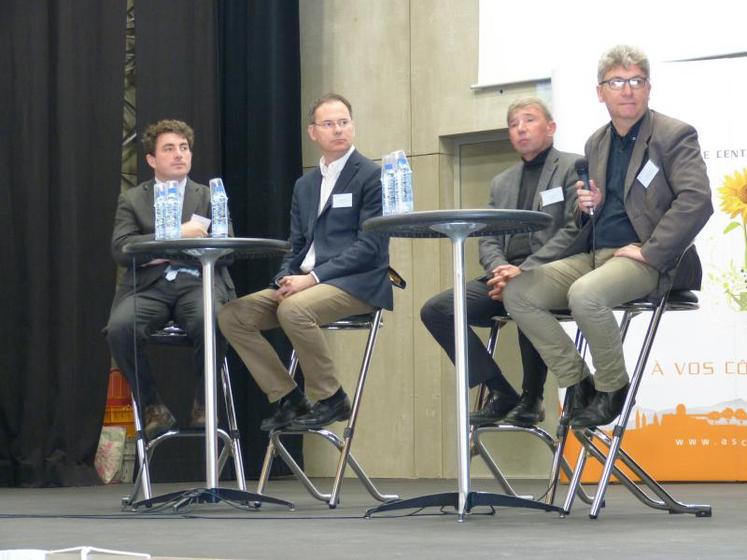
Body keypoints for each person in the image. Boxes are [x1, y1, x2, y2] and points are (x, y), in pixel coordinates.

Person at [503, 45, 713, 428]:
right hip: (597, 253)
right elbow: (594, 215)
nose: (627, 89)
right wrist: (590, 206)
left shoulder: (673, 135)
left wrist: (651, 251)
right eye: (617, 81)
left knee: (585, 295)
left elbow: (697, 201)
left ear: (649, 88)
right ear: (601, 92)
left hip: (647, 258)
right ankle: (577, 380)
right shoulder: (596, 142)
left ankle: (612, 388)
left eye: (636, 80)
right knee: (518, 292)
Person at [218, 93, 391, 432]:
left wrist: (311, 280)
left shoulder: (371, 175)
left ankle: (331, 397)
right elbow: (296, 245)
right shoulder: (305, 184)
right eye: (329, 124)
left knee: (293, 310)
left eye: (344, 122)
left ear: (353, 126)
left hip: (356, 282)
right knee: (232, 315)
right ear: (313, 133)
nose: (338, 129)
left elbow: (370, 246)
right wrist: (283, 279)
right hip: (303, 283)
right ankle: (289, 397)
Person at [420, 97, 581, 427]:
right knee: (436, 310)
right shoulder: (502, 181)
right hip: (503, 276)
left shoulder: (572, 167)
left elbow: (574, 229)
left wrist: (523, 271)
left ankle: (532, 397)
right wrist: (498, 270)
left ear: (550, 128)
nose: (521, 128)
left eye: (529, 120)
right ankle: (499, 390)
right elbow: (488, 236)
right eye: (513, 123)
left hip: (551, 274)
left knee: (523, 293)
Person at [106, 119, 235, 440]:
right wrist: (179, 235)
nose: (179, 155)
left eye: (184, 148)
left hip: (197, 283)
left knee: (216, 320)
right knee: (120, 329)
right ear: (151, 159)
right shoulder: (133, 200)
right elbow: (122, 250)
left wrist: (162, 249)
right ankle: (152, 406)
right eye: (169, 149)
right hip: (150, 287)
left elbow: (228, 249)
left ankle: (204, 403)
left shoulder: (209, 195)